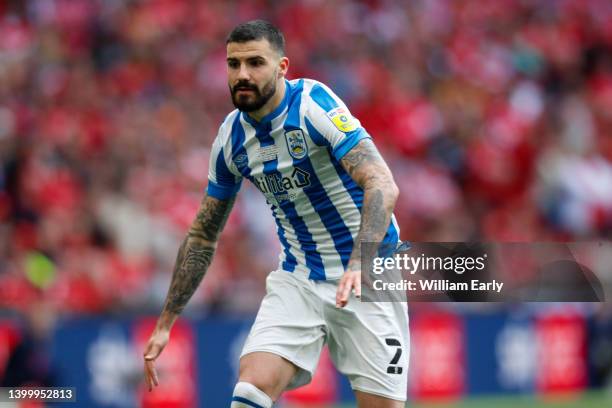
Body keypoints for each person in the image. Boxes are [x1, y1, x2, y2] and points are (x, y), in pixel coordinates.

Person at [143, 20, 408, 408]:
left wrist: (358, 262)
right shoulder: (231, 138)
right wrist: (166, 322)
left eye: (255, 63)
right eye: (233, 64)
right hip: (298, 276)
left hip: (369, 274)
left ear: (282, 67)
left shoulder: (313, 104)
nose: (242, 74)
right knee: (251, 387)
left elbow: (382, 184)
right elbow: (203, 234)